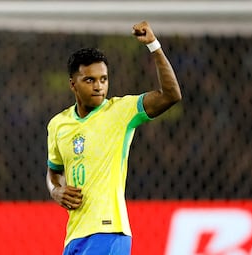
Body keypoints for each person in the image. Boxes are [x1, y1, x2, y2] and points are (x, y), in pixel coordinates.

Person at [46, 21, 182, 255]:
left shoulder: (120, 111)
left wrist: (153, 45)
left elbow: (171, 95)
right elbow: (54, 171)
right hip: (74, 236)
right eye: (89, 80)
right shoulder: (58, 124)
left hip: (109, 232)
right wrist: (56, 190)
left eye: (103, 79)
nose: (98, 86)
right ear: (73, 84)